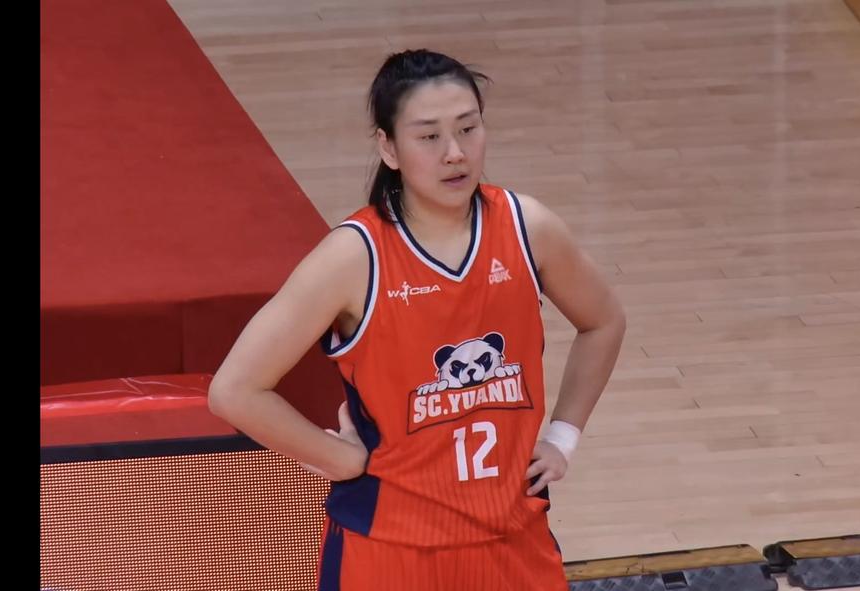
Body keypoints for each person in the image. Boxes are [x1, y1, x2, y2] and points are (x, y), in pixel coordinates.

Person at [208, 48, 627, 591]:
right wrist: (336, 460)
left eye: (468, 128)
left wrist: (563, 437)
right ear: (389, 147)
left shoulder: (529, 227)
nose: (455, 153)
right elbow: (235, 391)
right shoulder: (352, 257)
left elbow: (603, 321)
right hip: (390, 550)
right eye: (429, 136)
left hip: (514, 538)